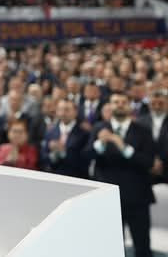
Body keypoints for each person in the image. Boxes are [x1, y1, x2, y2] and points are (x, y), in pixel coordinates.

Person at [85, 93, 155, 257]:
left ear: (129, 106)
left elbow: (149, 162)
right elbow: (86, 156)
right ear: (110, 106)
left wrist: (124, 148)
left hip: (137, 197)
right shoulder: (99, 128)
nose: (120, 104)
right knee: (110, 248)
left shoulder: (143, 130)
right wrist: (100, 144)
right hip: (108, 197)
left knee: (142, 247)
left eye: (124, 102)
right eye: (116, 102)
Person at [41, 99, 89, 178]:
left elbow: (85, 160)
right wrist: (53, 155)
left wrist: (63, 152)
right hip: (53, 176)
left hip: (75, 177)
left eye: (67, 110)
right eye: (60, 110)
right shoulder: (50, 132)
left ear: (75, 112)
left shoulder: (84, 134)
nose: (63, 113)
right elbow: (43, 156)